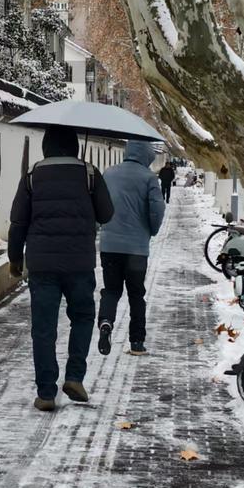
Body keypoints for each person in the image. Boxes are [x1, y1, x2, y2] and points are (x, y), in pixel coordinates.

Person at [8, 125, 114, 412]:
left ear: (46, 147)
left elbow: (18, 221)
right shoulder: (90, 173)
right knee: (82, 317)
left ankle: (45, 392)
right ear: (75, 146)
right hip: (79, 263)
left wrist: (15, 258)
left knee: (43, 328)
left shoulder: (32, 176)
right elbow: (107, 214)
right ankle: (75, 376)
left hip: (41, 264)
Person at [97, 140, 165, 357]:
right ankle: (137, 342)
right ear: (146, 155)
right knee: (136, 294)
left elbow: (100, 205)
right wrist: (152, 231)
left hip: (109, 246)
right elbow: (156, 209)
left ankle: (105, 323)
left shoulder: (108, 173)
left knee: (111, 290)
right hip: (136, 249)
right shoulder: (149, 178)